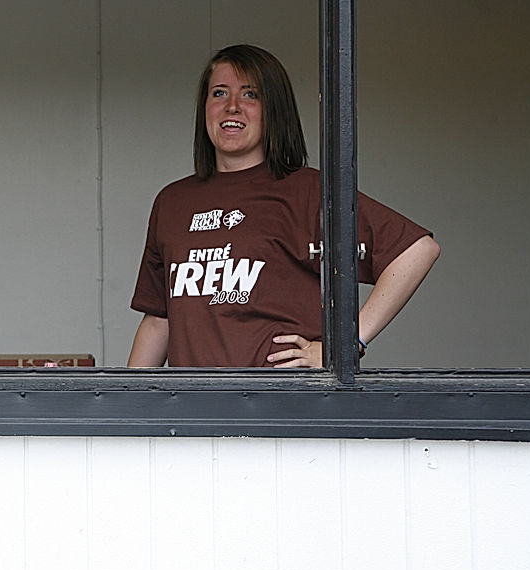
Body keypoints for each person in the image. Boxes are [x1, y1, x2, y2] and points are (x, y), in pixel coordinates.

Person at [128, 44, 439, 368]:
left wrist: (347, 343)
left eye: (250, 95)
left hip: (284, 397)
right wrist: (126, 398)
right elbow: (159, 320)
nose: (232, 107)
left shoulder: (306, 190)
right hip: (194, 399)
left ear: (274, 109)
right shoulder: (173, 202)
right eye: (219, 93)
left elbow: (417, 250)